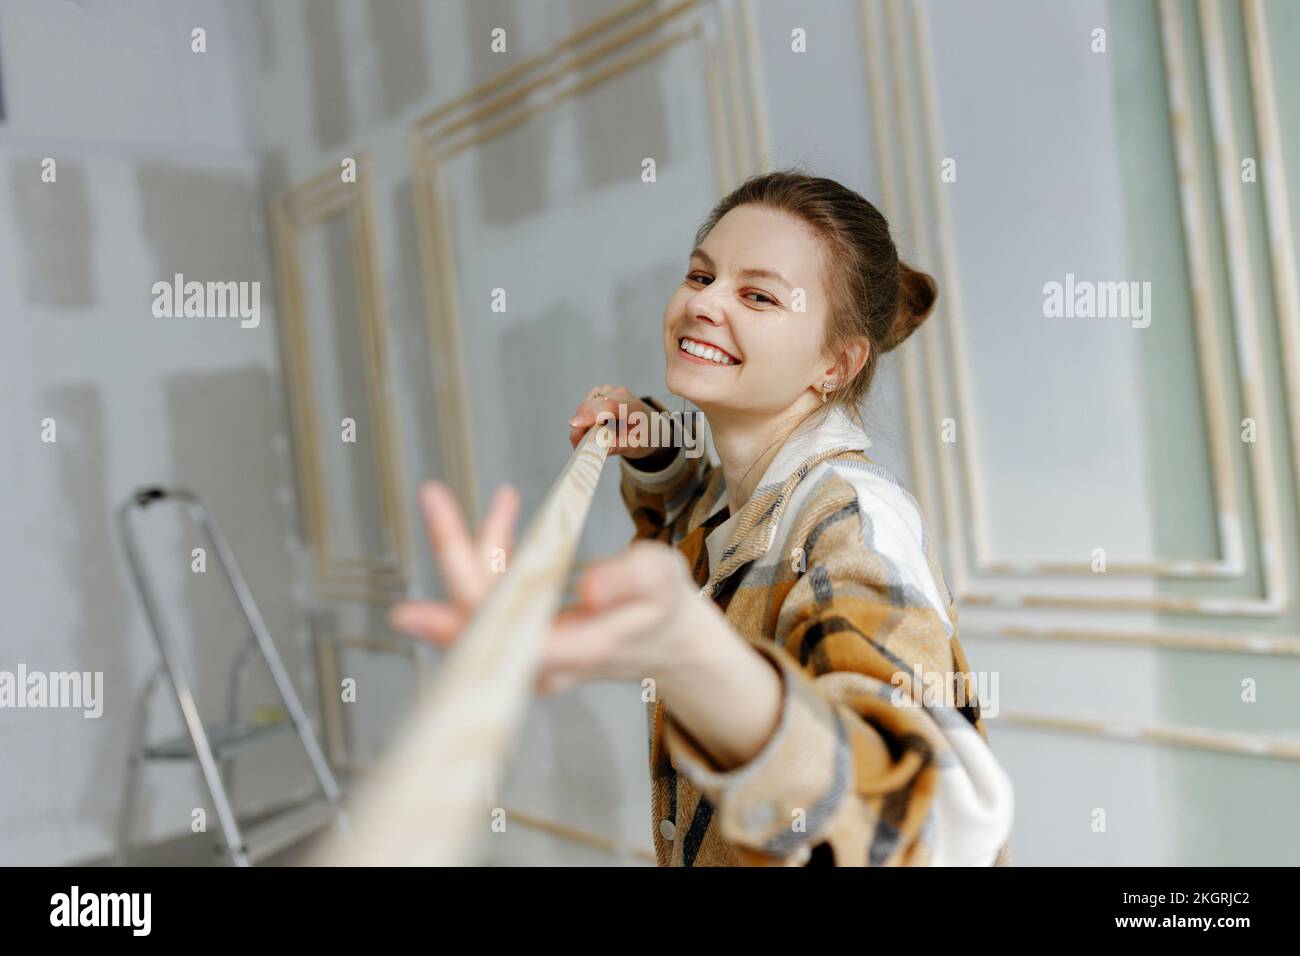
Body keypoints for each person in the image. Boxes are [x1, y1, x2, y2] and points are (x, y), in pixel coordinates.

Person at [390, 170, 1014, 866]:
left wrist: (693, 655)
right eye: (700, 275)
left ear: (836, 364)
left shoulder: (853, 523)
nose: (704, 304)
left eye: (757, 295)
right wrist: (655, 446)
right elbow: (697, 512)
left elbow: (923, 826)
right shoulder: (738, 494)